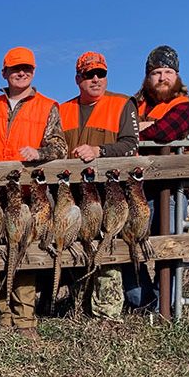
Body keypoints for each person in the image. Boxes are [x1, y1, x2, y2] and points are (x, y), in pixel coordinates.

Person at [0, 47, 67, 340]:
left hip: (27, 195)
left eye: (26, 68)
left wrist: (39, 152)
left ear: (34, 72)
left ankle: (25, 318)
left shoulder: (48, 106)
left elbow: (60, 147)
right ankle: (4, 316)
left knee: (24, 254)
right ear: (4, 74)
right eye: (14, 69)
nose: (20, 73)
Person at [125, 45, 189, 309]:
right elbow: (118, 135)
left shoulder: (186, 106)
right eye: (157, 72)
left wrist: (139, 130)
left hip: (175, 188)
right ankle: (145, 301)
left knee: (169, 246)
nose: (163, 77)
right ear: (147, 77)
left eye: (168, 71)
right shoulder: (132, 104)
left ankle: (167, 305)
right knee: (126, 243)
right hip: (138, 190)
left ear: (177, 76)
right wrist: (142, 128)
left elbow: (164, 132)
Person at [58, 51, 138, 319]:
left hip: (109, 195)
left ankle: (107, 314)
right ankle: (78, 307)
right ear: (77, 78)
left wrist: (99, 150)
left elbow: (130, 146)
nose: (95, 79)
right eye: (89, 74)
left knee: (108, 251)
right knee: (77, 249)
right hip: (74, 196)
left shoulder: (122, 104)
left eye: (100, 74)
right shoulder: (62, 109)